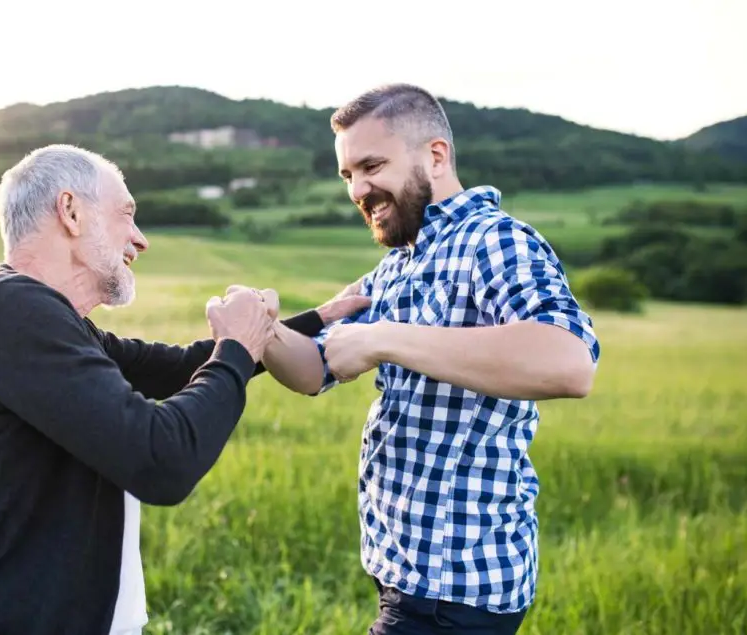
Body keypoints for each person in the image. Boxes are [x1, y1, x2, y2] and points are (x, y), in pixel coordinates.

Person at [0, 144, 369, 635]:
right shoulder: (8, 310)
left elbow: (176, 368)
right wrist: (236, 346)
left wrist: (307, 321)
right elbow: (162, 459)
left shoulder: (40, 315)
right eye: (127, 214)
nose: (140, 239)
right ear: (71, 211)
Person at [258, 84, 602, 634]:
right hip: (406, 576)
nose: (359, 189)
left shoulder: (496, 241)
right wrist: (261, 329)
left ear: (435, 156)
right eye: (348, 175)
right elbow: (314, 369)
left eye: (372, 165)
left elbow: (570, 362)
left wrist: (386, 338)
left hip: (457, 588)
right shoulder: (400, 265)